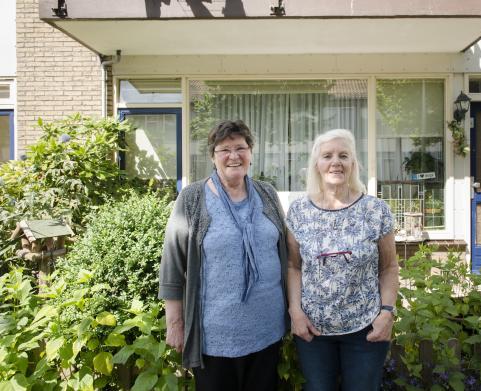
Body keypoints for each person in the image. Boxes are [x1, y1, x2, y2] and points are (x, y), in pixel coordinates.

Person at [158, 120, 289, 391]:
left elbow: (285, 253)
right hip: (215, 337)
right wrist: (175, 322)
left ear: (251, 153)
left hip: (267, 329)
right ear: (212, 156)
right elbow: (173, 263)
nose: (233, 156)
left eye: (240, 147)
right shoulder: (193, 198)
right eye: (224, 149)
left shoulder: (268, 194)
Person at [286, 128, 399, 391]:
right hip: (313, 331)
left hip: (365, 329)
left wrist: (386, 313)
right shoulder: (299, 211)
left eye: (343, 155)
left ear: (353, 164)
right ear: (317, 164)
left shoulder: (375, 210)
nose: (336, 162)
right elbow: (293, 266)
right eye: (327, 155)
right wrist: (295, 312)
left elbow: (389, 267)